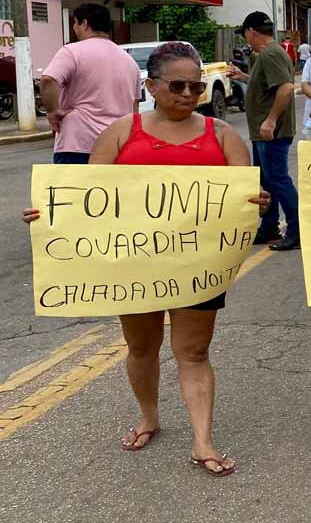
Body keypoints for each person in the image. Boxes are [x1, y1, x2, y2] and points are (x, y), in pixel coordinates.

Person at [23, 42, 268, 476]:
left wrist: (258, 202)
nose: (189, 94)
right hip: (133, 266)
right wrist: (50, 214)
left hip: (197, 267)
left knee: (193, 351)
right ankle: (149, 416)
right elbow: (85, 198)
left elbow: (241, 201)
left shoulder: (222, 136)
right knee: (142, 346)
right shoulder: (120, 132)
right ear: (152, 86)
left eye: (195, 86)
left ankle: (202, 440)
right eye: (177, 85)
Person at [227, 12, 301, 251]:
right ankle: (269, 227)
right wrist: (243, 76)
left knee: (278, 180)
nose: (246, 38)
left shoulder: (271, 54)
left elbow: (286, 87)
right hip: (263, 131)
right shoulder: (266, 55)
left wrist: (270, 120)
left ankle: (297, 230)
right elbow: (267, 85)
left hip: (272, 132)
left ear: (251, 31)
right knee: (266, 181)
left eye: (246, 34)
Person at [39, 3, 140, 164]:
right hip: (117, 145)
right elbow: (134, 110)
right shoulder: (130, 62)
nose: (74, 27)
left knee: (72, 189)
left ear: (84, 24)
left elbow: (48, 79)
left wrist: (53, 110)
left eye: (75, 23)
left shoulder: (71, 52)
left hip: (78, 143)